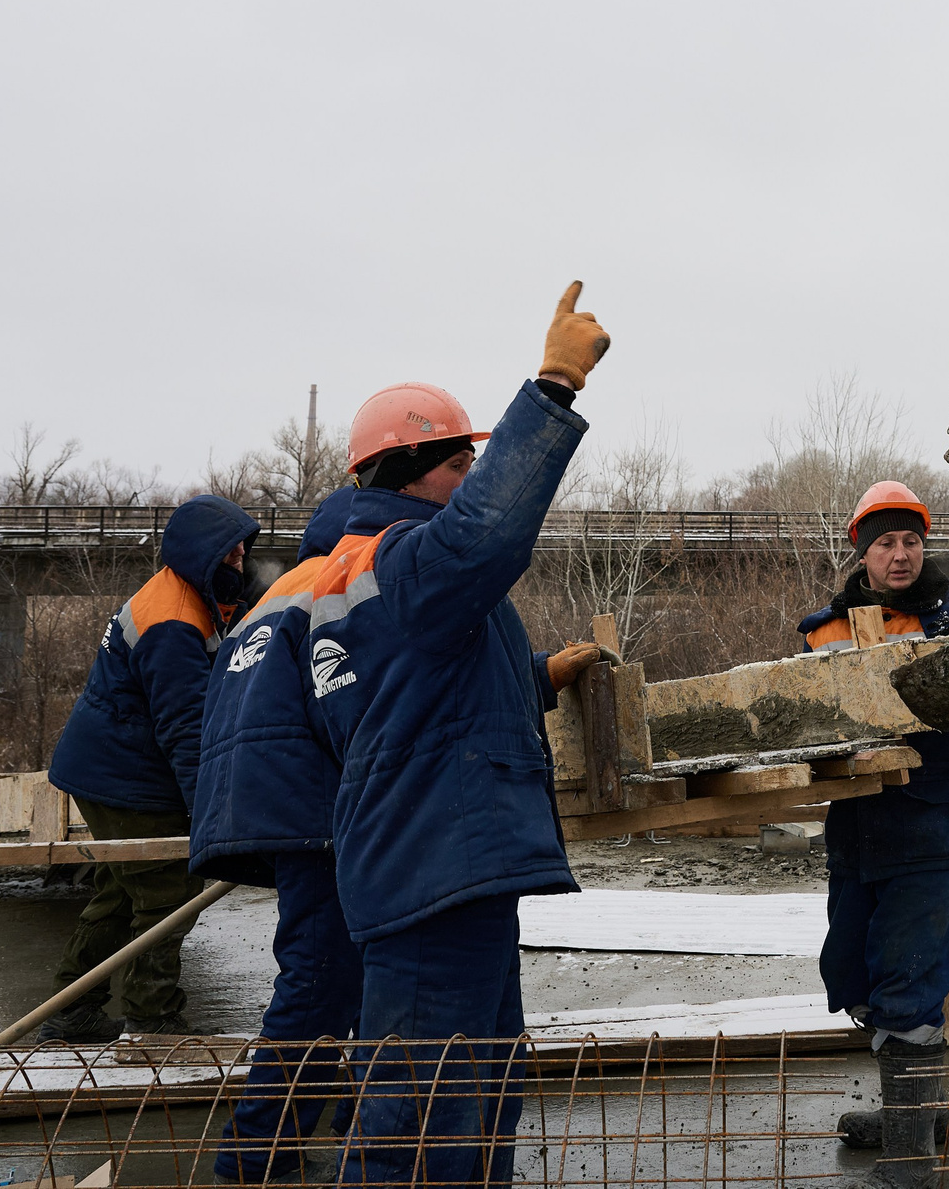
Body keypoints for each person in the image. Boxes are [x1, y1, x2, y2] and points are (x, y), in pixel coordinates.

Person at [304, 283, 613, 1189]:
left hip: (430, 871)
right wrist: (552, 386)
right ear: (411, 471)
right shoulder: (403, 562)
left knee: (475, 1088)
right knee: (426, 1113)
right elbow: (486, 538)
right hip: (435, 878)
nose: (466, 484)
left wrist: (539, 677)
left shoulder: (347, 580)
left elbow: (408, 708)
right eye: (456, 468)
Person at [798, 481, 949, 1186]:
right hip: (857, 833)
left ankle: (910, 1159)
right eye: (886, 543)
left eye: (911, 540)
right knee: (854, 973)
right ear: (863, 553)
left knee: (910, 982)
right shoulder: (827, 629)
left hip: (937, 826)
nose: (900, 554)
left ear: (923, 545)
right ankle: (920, 1114)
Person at [43, 492, 261, 1041]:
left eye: (242, 550)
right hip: (125, 779)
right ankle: (154, 1018)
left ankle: (71, 1011)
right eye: (229, 554)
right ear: (199, 555)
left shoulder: (188, 593)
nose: (240, 559)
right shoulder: (172, 621)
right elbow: (185, 730)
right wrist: (211, 813)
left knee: (120, 893)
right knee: (167, 896)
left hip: (111, 770)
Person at [190, 485, 360, 1183]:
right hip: (312, 808)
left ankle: (327, 1118)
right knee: (320, 976)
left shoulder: (275, 591)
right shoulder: (338, 586)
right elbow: (354, 701)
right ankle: (255, 1146)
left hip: (269, 805)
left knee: (338, 974)